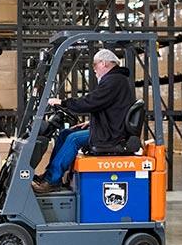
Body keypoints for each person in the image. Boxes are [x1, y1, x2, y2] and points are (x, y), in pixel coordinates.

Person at [32, 48, 136, 194]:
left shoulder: (114, 80)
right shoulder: (115, 79)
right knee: (65, 133)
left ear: (104, 63)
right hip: (109, 128)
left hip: (112, 134)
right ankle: (49, 176)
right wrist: (90, 123)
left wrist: (63, 102)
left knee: (73, 139)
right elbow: (108, 108)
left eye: (95, 65)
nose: (94, 69)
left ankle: (51, 181)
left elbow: (92, 102)